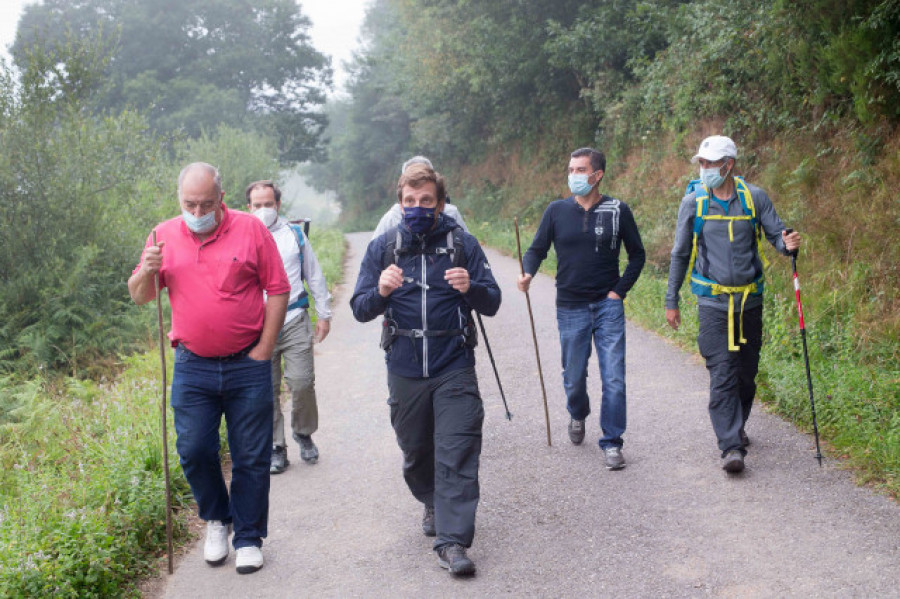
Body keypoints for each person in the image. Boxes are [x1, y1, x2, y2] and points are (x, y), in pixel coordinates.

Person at [128, 163, 289, 575]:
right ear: (179, 200)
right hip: (192, 366)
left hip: (246, 363)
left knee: (251, 455)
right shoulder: (160, 236)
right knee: (195, 450)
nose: (196, 210)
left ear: (222, 200)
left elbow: (278, 288)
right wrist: (147, 271)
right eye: (189, 203)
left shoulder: (251, 230)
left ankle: (250, 537)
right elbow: (141, 296)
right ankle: (217, 519)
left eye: (205, 203)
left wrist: (265, 348)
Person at [351, 164, 501, 576]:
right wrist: (380, 290)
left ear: (440, 204)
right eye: (410, 201)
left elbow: (493, 301)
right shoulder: (382, 247)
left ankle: (452, 543)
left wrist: (471, 287)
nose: (418, 207)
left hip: (453, 364)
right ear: (400, 203)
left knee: (458, 449)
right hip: (403, 367)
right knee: (416, 451)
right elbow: (360, 308)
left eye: (427, 201)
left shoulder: (462, 245)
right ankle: (430, 499)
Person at [665, 135, 801, 474]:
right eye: (702, 163)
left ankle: (737, 424)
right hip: (712, 302)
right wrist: (672, 300)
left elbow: (777, 237)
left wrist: (789, 244)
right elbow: (681, 253)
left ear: (729, 165)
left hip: (749, 301)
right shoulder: (694, 202)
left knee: (745, 373)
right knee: (722, 371)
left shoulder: (753, 198)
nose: (705, 169)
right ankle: (730, 446)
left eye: (711, 164)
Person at [518, 147, 645, 470]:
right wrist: (528, 273)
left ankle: (612, 441)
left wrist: (619, 292)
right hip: (570, 305)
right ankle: (577, 412)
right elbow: (536, 250)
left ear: (597, 175)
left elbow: (637, 255)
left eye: (579, 170)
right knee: (573, 378)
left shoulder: (618, 210)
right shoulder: (556, 211)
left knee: (614, 377)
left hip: (608, 306)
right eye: (571, 169)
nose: (573, 175)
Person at [245, 180, 332, 473]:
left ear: (278, 205)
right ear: (248, 207)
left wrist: (324, 314)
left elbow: (314, 274)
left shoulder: (294, 235)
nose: (263, 210)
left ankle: (303, 433)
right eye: (257, 205)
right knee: (264, 389)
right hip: (258, 326)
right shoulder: (242, 237)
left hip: (295, 318)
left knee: (302, 382)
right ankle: (275, 447)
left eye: (268, 204)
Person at [371, 156, 468, 238]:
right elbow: (373, 255)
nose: (418, 178)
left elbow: (468, 248)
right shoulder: (392, 218)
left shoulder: (451, 213)